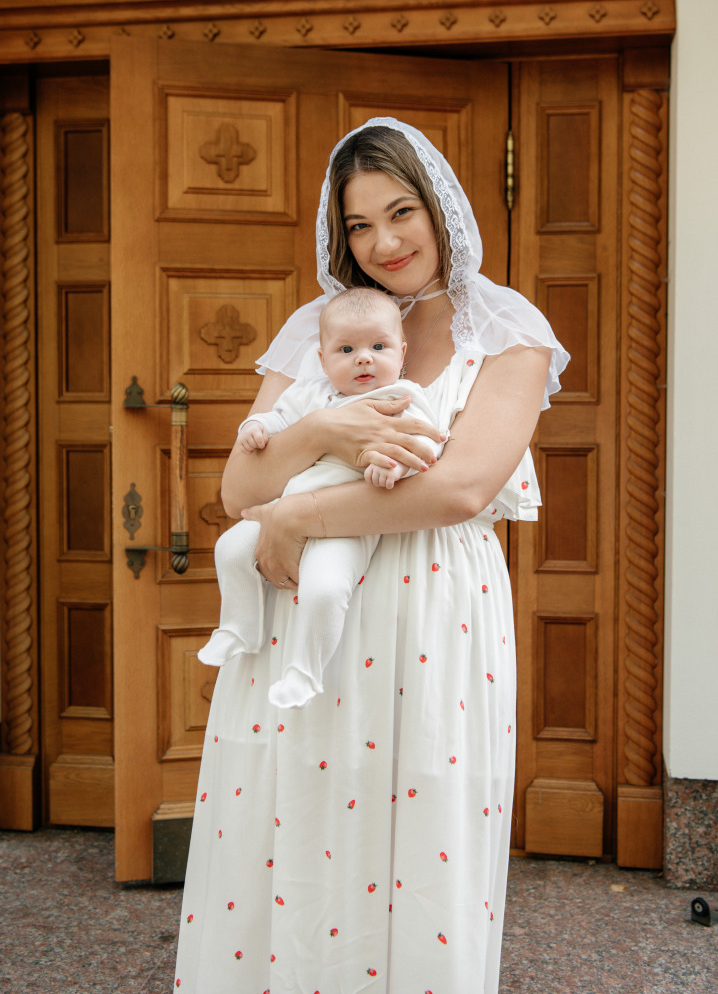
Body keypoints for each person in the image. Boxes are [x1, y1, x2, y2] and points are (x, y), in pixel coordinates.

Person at [174, 118, 568, 994]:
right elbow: (241, 488)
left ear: (441, 208)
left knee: (418, 829)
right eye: (358, 226)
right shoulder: (322, 326)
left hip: (434, 612)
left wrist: (300, 515)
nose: (384, 243)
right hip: (303, 617)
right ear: (337, 236)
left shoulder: (505, 329)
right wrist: (320, 427)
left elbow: (458, 489)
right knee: (297, 819)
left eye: (401, 212)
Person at [199, 287, 447, 710]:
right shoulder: (311, 393)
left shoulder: (401, 399)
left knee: (326, 588)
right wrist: (255, 429)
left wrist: (392, 467)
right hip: (283, 507)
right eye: (346, 348)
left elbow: (426, 446)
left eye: (378, 346)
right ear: (322, 359)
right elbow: (276, 418)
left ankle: (305, 670)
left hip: (347, 519)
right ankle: (239, 627)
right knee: (229, 549)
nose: (364, 357)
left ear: (401, 352)